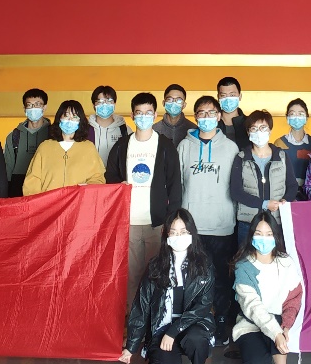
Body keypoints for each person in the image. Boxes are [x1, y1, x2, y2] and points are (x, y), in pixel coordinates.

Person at [120, 209, 214, 364]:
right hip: (162, 326)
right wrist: (131, 347)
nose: (179, 237)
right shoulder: (155, 266)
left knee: (196, 339)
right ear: (166, 235)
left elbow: (203, 307)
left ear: (192, 234)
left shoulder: (204, 265)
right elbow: (141, 306)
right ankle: (163, 354)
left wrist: (173, 332)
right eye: (174, 232)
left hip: (193, 325)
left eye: (183, 232)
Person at [106, 92, 183, 310]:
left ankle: (154, 316)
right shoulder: (122, 146)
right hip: (128, 222)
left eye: (148, 113)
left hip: (156, 223)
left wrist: (170, 222)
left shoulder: (165, 146)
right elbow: (110, 178)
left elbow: (175, 186)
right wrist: (118, 186)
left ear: (155, 115)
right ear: (132, 116)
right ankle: (133, 318)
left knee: (157, 273)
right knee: (131, 274)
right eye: (139, 113)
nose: (143, 117)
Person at [176, 95, 240, 346]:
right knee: (192, 277)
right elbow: (178, 184)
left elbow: (235, 186)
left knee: (221, 278)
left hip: (222, 225)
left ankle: (221, 321)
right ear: (195, 117)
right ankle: (193, 322)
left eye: (211, 113)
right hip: (192, 226)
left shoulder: (231, 148)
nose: (206, 118)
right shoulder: (184, 146)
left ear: (218, 116)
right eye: (201, 113)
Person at [232, 212, 302, 364]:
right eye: (259, 234)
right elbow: (253, 306)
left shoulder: (286, 262)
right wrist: (276, 333)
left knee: (277, 327)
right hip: (251, 323)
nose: (264, 239)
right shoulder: (244, 266)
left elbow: (294, 298)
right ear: (251, 236)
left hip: (279, 321)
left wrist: (286, 326)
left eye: (269, 234)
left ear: (275, 236)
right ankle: (262, 359)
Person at [231, 110, 297, 243]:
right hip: (248, 222)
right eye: (254, 129)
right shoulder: (241, 158)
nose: (258, 132)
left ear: (270, 131)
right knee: (246, 255)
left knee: (276, 255)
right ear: (248, 133)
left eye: (263, 128)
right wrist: (264, 204)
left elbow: (292, 185)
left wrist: (285, 200)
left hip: (276, 221)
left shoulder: (281, 156)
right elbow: (236, 191)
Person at [23, 100, 106, 194]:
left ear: (80, 121)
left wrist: (86, 188)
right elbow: (32, 180)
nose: (70, 120)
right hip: (50, 202)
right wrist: (40, 201)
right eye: (66, 115)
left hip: (78, 202)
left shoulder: (88, 148)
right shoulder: (45, 147)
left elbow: (98, 178)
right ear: (59, 118)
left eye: (75, 117)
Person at [5, 88, 51, 197]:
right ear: (24, 109)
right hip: (18, 185)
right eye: (29, 105)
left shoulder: (54, 134)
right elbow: (7, 168)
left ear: (44, 107)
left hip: (45, 184)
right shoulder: (14, 136)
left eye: (37, 104)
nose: (33, 108)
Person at [273, 98, 311, 200]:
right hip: (285, 196)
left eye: (300, 114)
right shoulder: (279, 143)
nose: (296, 117)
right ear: (287, 117)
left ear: (307, 117)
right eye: (292, 114)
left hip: (310, 196)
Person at [89, 84, 128, 165]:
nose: (105, 105)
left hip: (117, 173)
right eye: (100, 102)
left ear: (114, 104)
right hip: (91, 173)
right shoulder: (86, 130)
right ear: (93, 105)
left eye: (109, 101)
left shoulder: (125, 130)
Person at [217, 76, 250, 150]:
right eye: (223, 95)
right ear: (218, 97)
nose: (228, 99)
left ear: (240, 96)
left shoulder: (250, 124)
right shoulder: (212, 125)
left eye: (232, 95)